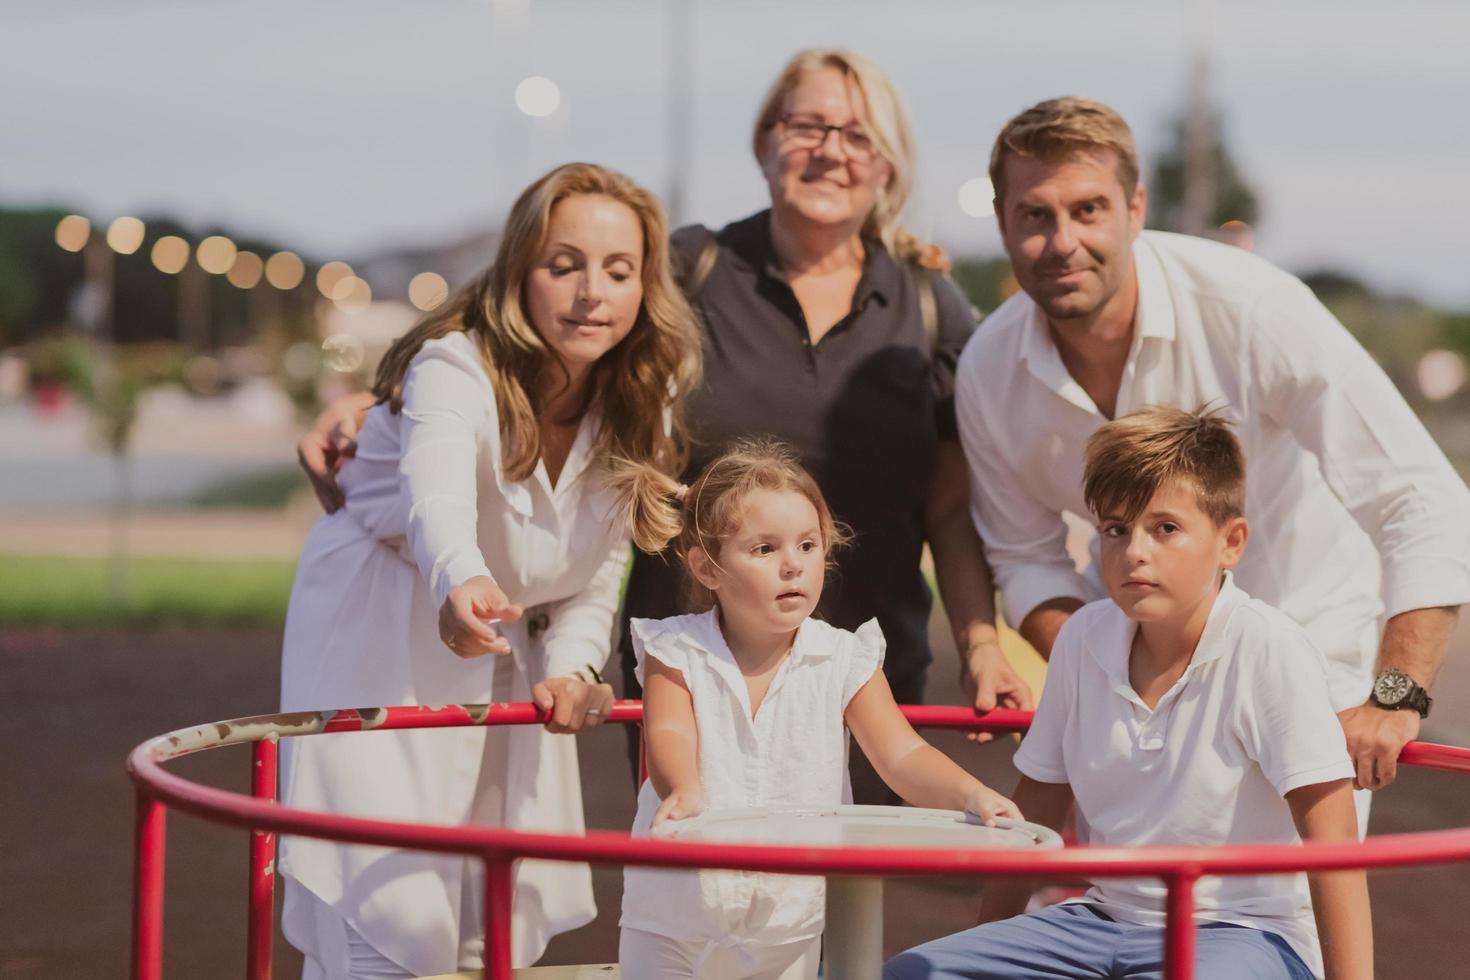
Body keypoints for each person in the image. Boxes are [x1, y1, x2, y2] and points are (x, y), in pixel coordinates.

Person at [298, 50, 1034, 799]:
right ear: (765, 140)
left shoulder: (929, 303)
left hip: (864, 675)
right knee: (696, 899)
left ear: (888, 164)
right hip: (697, 674)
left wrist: (981, 644)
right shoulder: (692, 268)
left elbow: (950, 503)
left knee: (847, 908)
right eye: (809, 124)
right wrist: (377, 405)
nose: (831, 149)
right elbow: (523, 328)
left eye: (858, 134)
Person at [958, 96, 1469, 801]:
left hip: (1308, 657)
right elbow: (1024, 555)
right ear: (1002, 220)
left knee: (1289, 908)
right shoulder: (987, 368)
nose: (1063, 240)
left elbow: (1420, 495)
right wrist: (1104, 665)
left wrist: (1395, 694)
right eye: (1035, 215)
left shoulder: (1253, 309)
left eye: (1088, 210)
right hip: (1134, 688)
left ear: (1135, 208)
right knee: (1126, 907)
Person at [277, 162, 701, 979]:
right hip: (384, 622)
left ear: (647, 287)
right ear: (519, 273)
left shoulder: (642, 396)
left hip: (510, 641)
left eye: (619, 271)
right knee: (390, 905)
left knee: (489, 913)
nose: (591, 292)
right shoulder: (454, 367)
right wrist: (458, 581)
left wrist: (579, 667)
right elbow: (436, 493)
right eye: (563, 264)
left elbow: (600, 566)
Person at [887, 406, 1372, 980]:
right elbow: (1037, 804)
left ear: (1230, 542)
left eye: (1165, 528)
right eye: (1116, 529)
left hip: (1240, 931)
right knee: (915, 972)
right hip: (1099, 917)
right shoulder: (1083, 640)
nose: (1135, 550)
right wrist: (987, 941)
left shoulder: (1268, 648)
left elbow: (1334, 843)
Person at [611, 438, 1019, 980]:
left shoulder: (843, 657)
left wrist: (972, 792)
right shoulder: (676, 650)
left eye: (807, 546)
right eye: (764, 549)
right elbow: (668, 733)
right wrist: (683, 788)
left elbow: (901, 754)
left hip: (787, 918)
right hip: (675, 910)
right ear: (707, 569)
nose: (792, 566)